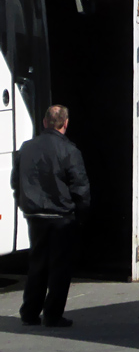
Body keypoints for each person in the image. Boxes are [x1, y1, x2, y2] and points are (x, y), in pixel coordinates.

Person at [11, 105, 90, 328]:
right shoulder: (69, 150)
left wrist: (23, 203)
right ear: (65, 124)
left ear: (45, 122)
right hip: (61, 215)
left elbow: (15, 181)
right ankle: (53, 314)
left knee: (37, 263)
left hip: (34, 214)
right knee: (60, 266)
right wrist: (81, 214)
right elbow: (80, 186)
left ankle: (29, 312)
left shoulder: (26, 148)